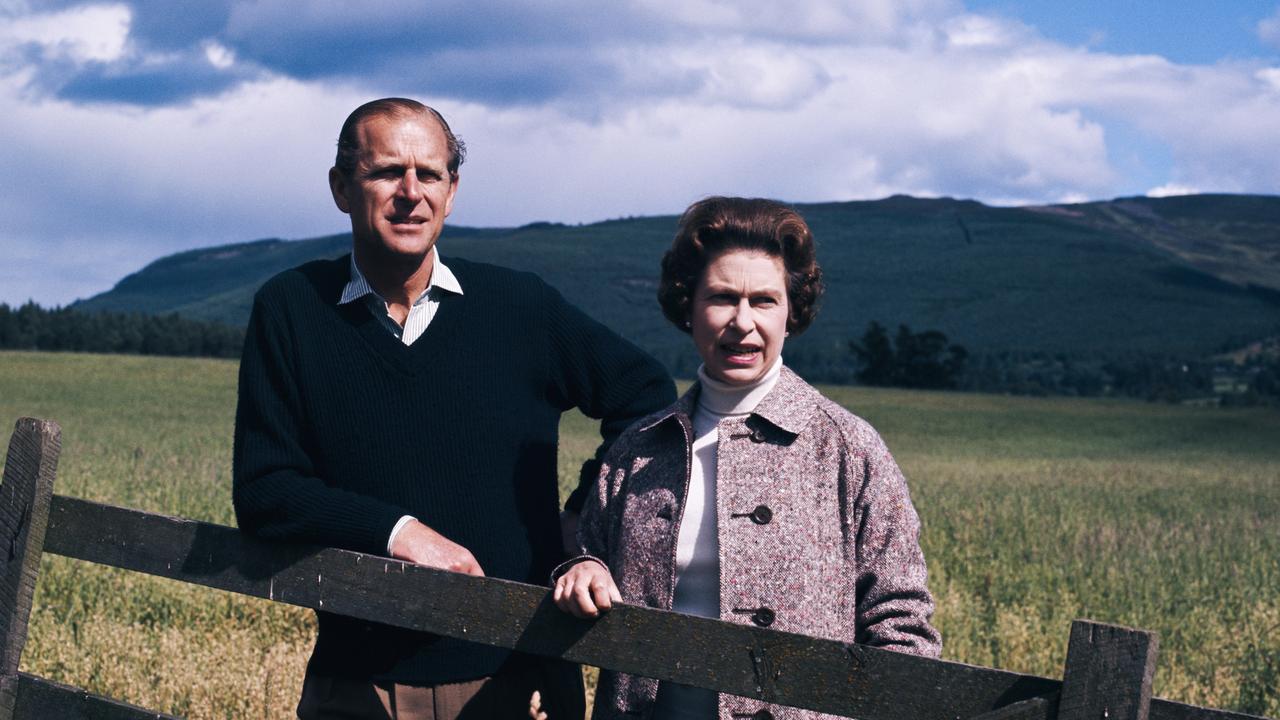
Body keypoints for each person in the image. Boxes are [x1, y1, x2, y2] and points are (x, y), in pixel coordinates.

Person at [232, 97, 675, 720]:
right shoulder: (292, 309)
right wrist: (399, 532)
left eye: (430, 174)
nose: (410, 193)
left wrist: (582, 520)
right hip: (357, 683)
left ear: (453, 190)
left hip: (513, 676)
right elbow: (264, 489)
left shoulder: (520, 307)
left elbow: (647, 397)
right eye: (387, 172)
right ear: (340, 187)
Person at [552, 197, 941, 719]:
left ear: (791, 312)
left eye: (763, 301)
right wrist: (582, 567)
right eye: (721, 298)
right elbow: (588, 555)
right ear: (687, 306)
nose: (742, 322)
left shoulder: (849, 449)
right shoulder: (639, 449)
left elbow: (902, 625)